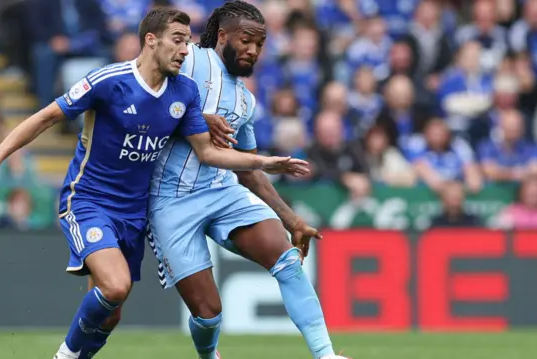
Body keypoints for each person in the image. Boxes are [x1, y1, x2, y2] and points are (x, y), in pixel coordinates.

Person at [0, 7, 309, 359]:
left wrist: (263, 161)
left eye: (187, 42)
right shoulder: (109, 81)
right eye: (178, 40)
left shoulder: (183, 93)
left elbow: (209, 153)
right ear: (151, 41)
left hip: (134, 213)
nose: (186, 50)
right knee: (116, 286)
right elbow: (46, 117)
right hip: (89, 201)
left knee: (111, 311)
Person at [84, 2, 344, 359]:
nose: (253, 50)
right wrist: (198, 117)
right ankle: (209, 355)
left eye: (260, 44)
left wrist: (292, 219)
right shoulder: (189, 59)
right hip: (169, 201)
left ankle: (326, 355)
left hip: (221, 191)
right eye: (246, 40)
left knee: (287, 261)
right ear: (223, 36)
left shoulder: (246, 101)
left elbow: (247, 170)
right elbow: (148, 98)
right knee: (208, 314)